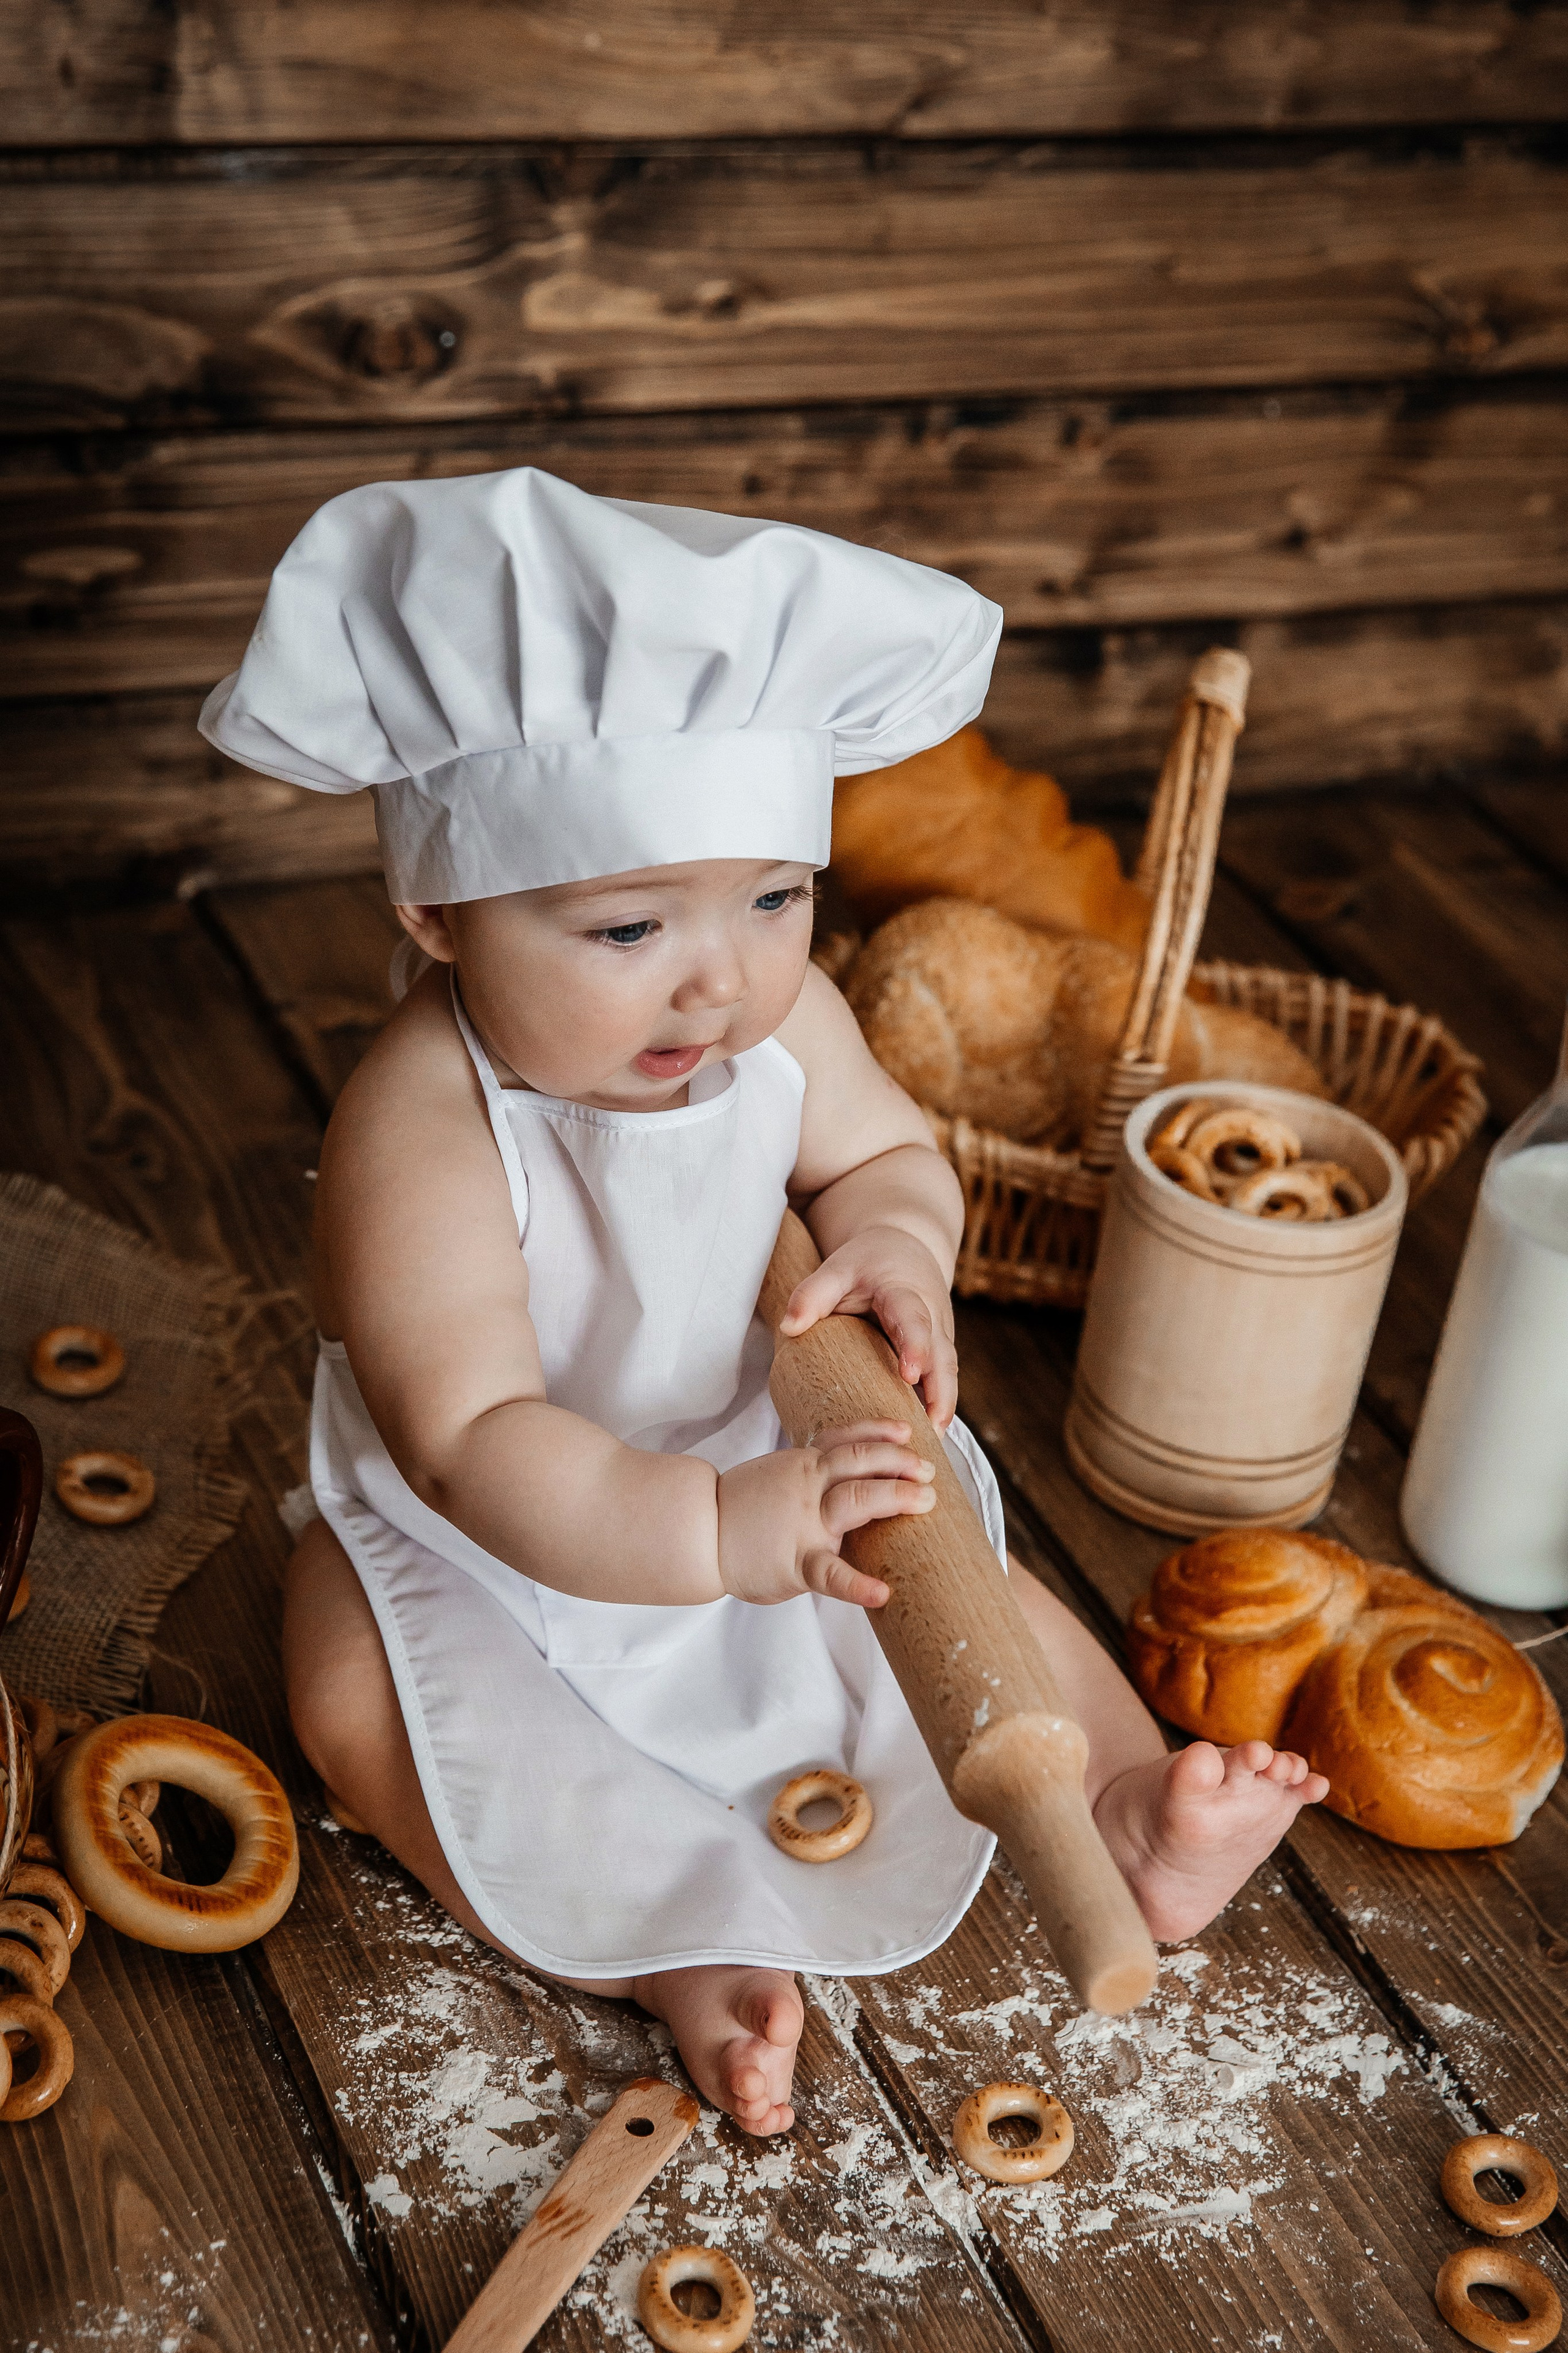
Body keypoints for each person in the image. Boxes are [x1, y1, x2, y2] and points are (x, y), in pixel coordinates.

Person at [203, 470, 1328, 2139]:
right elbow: (466, 1439)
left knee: (975, 1588)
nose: (718, 976)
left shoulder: (768, 1027)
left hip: (764, 1459)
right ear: (437, 910)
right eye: (631, 922)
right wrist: (715, 1536)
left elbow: (885, 1152)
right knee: (346, 1683)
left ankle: (1122, 1804)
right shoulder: (420, 1119)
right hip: (521, 1531)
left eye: (776, 897)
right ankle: (667, 1951)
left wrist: (895, 1240)